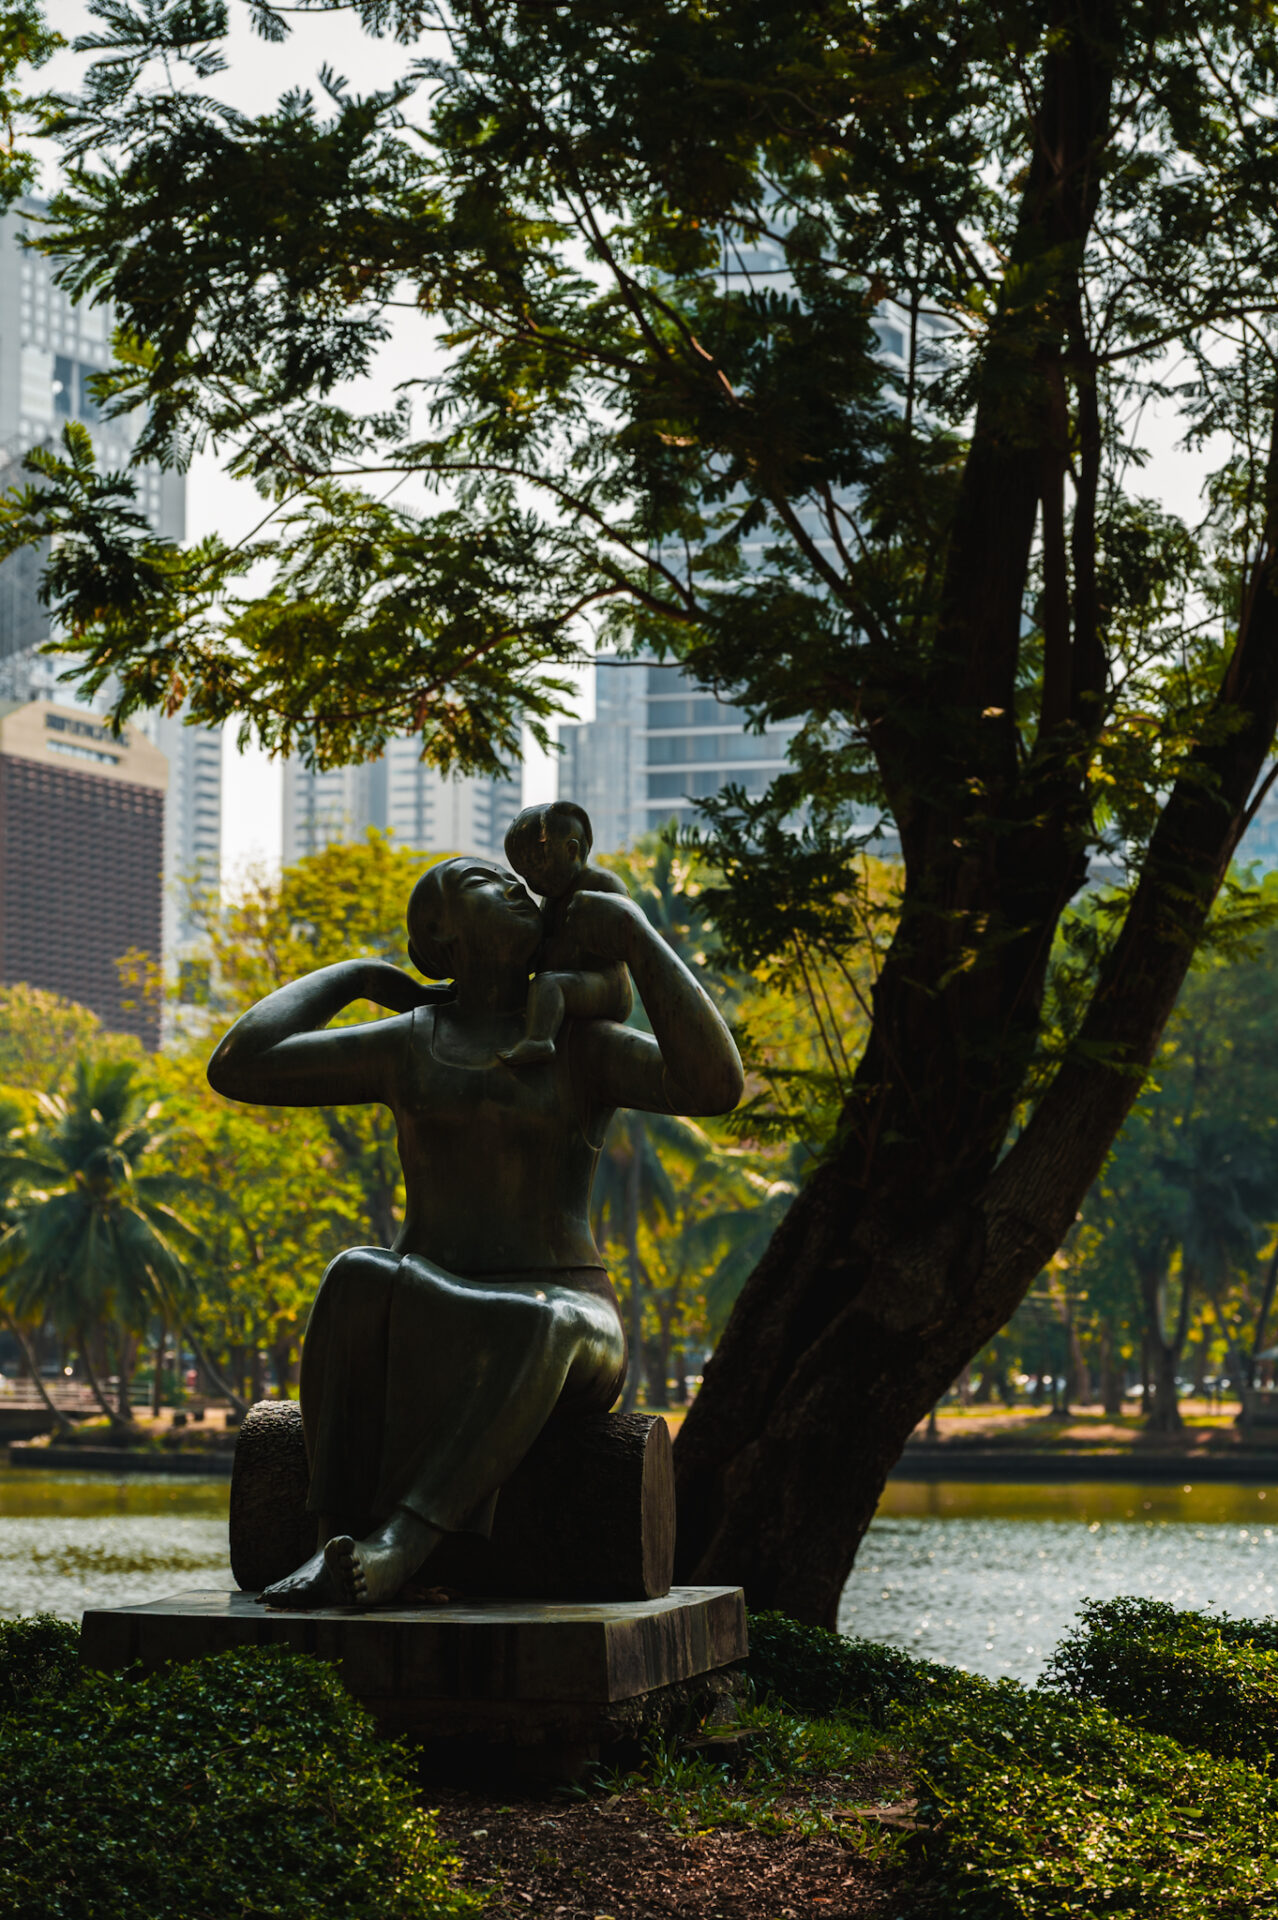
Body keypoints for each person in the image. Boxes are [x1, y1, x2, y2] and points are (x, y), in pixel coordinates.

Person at [206, 850, 742, 1610]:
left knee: (540, 1320)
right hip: (435, 1301)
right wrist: (360, 977)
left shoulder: (578, 1043)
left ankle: (401, 1546)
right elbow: (238, 1065)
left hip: (571, 1321)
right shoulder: (409, 1041)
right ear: (441, 938)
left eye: (517, 880)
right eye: (485, 884)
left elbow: (716, 1084)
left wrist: (635, 935)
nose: (519, 887)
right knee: (355, 1271)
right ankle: (333, 1538)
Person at [499, 800, 633, 1067]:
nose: (533, 885)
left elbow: (627, 937)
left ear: (571, 851)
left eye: (537, 872)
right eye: (525, 877)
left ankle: (540, 1041)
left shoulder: (602, 884)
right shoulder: (552, 897)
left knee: (548, 985)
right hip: (568, 980)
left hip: (606, 985)